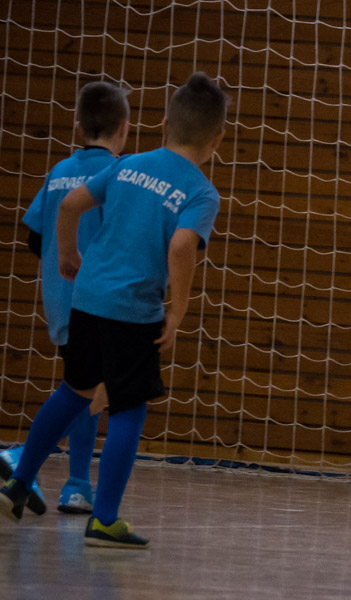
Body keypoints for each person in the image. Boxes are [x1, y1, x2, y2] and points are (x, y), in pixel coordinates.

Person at [0, 72, 228, 549]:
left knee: (75, 390)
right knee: (128, 408)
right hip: (132, 310)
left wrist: (67, 255)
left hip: (86, 298)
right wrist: (178, 310)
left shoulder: (128, 165)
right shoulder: (202, 192)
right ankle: (104, 519)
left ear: (163, 124)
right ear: (217, 140)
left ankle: (18, 483)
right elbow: (182, 245)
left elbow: (70, 206)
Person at [0, 81, 130, 516]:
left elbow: (36, 238)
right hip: (101, 301)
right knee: (92, 392)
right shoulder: (119, 175)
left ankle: (77, 485)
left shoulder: (59, 171)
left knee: (84, 386)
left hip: (60, 297)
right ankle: (23, 457)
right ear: (124, 128)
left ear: (77, 128)